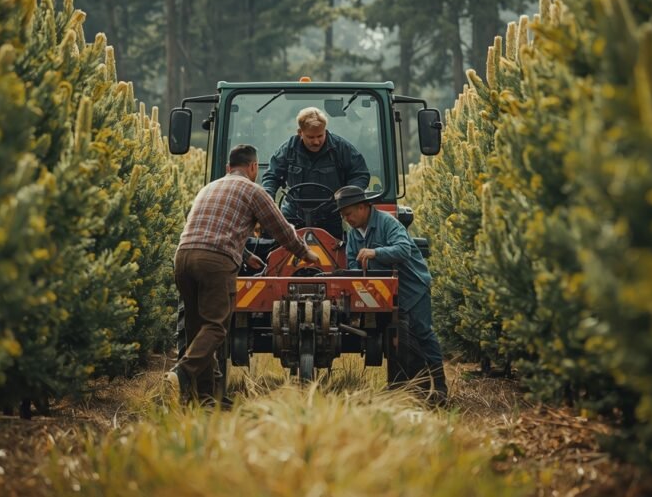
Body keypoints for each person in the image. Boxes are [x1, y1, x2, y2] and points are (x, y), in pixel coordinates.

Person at [166, 144, 320, 403]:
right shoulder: (253, 190)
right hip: (215, 263)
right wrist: (306, 254)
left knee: (197, 330)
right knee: (216, 327)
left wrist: (247, 255)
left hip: (183, 258)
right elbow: (280, 229)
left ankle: (205, 398)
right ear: (252, 168)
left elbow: (212, 229)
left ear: (228, 168)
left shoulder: (209, 188)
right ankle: (181, 373)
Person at [334, 185, 448, 406]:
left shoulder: (388, 223)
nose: (346, 219)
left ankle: (440, 387)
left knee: (423, 334)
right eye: (342, 215)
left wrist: (375, 252)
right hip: (384, 296)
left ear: (363, 207)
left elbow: (403, 250)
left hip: (411, 289)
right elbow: (352, 264)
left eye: (348, 214)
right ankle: (403, 388)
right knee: (397, 339)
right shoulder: (353, 234)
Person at [261, 107, 370, 240]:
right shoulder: (288, 150)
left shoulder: (341, 148)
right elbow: (271, 176)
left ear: (325, 130)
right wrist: (267, 199)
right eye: (311, 137)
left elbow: (360, 174)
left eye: (320, 136)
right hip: (294, 213)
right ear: (300, 132)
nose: (316, 141)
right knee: (272, 243)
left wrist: (348, 198)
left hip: (330, 214)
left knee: (338, 252)